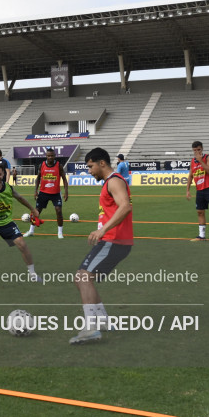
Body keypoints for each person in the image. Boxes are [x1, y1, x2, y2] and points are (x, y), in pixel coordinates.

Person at [70, 147, 133, 344]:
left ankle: (91, 328)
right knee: (82, 278)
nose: (89, 171)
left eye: (91, 167)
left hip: (114, 239)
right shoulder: (110, 182)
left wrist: (102, 230)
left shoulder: (114, 181)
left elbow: (125, 206)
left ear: (102, 163)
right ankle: (103, 322)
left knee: (83, 277)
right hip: (114, 240)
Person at [24, 147, 69, 239]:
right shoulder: (42, 165)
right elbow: (38, 178)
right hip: (43, 193)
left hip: (56, 193)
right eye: (48, 156)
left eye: (52, 156)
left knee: (59, 211)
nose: (50, 157)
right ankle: (31, 231)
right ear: (46, 156)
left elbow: (64, 179)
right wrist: (35, 191)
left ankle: (60, 233)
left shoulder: (59, 165)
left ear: (55, 156)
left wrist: (66, 192)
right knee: (36, 212)